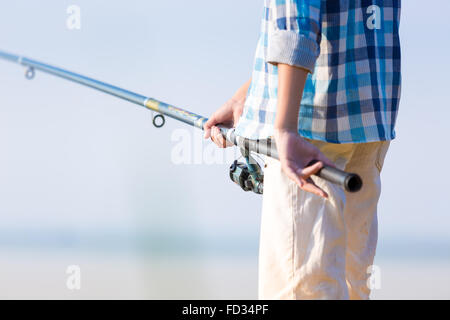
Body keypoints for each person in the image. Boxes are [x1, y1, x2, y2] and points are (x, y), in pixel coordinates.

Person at [204, 0, 401, 300]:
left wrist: (284, 127)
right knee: (352, 286)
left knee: (305, 291)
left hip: (309, 130)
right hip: (369, 120)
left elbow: (297, 26)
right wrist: (249, 95)